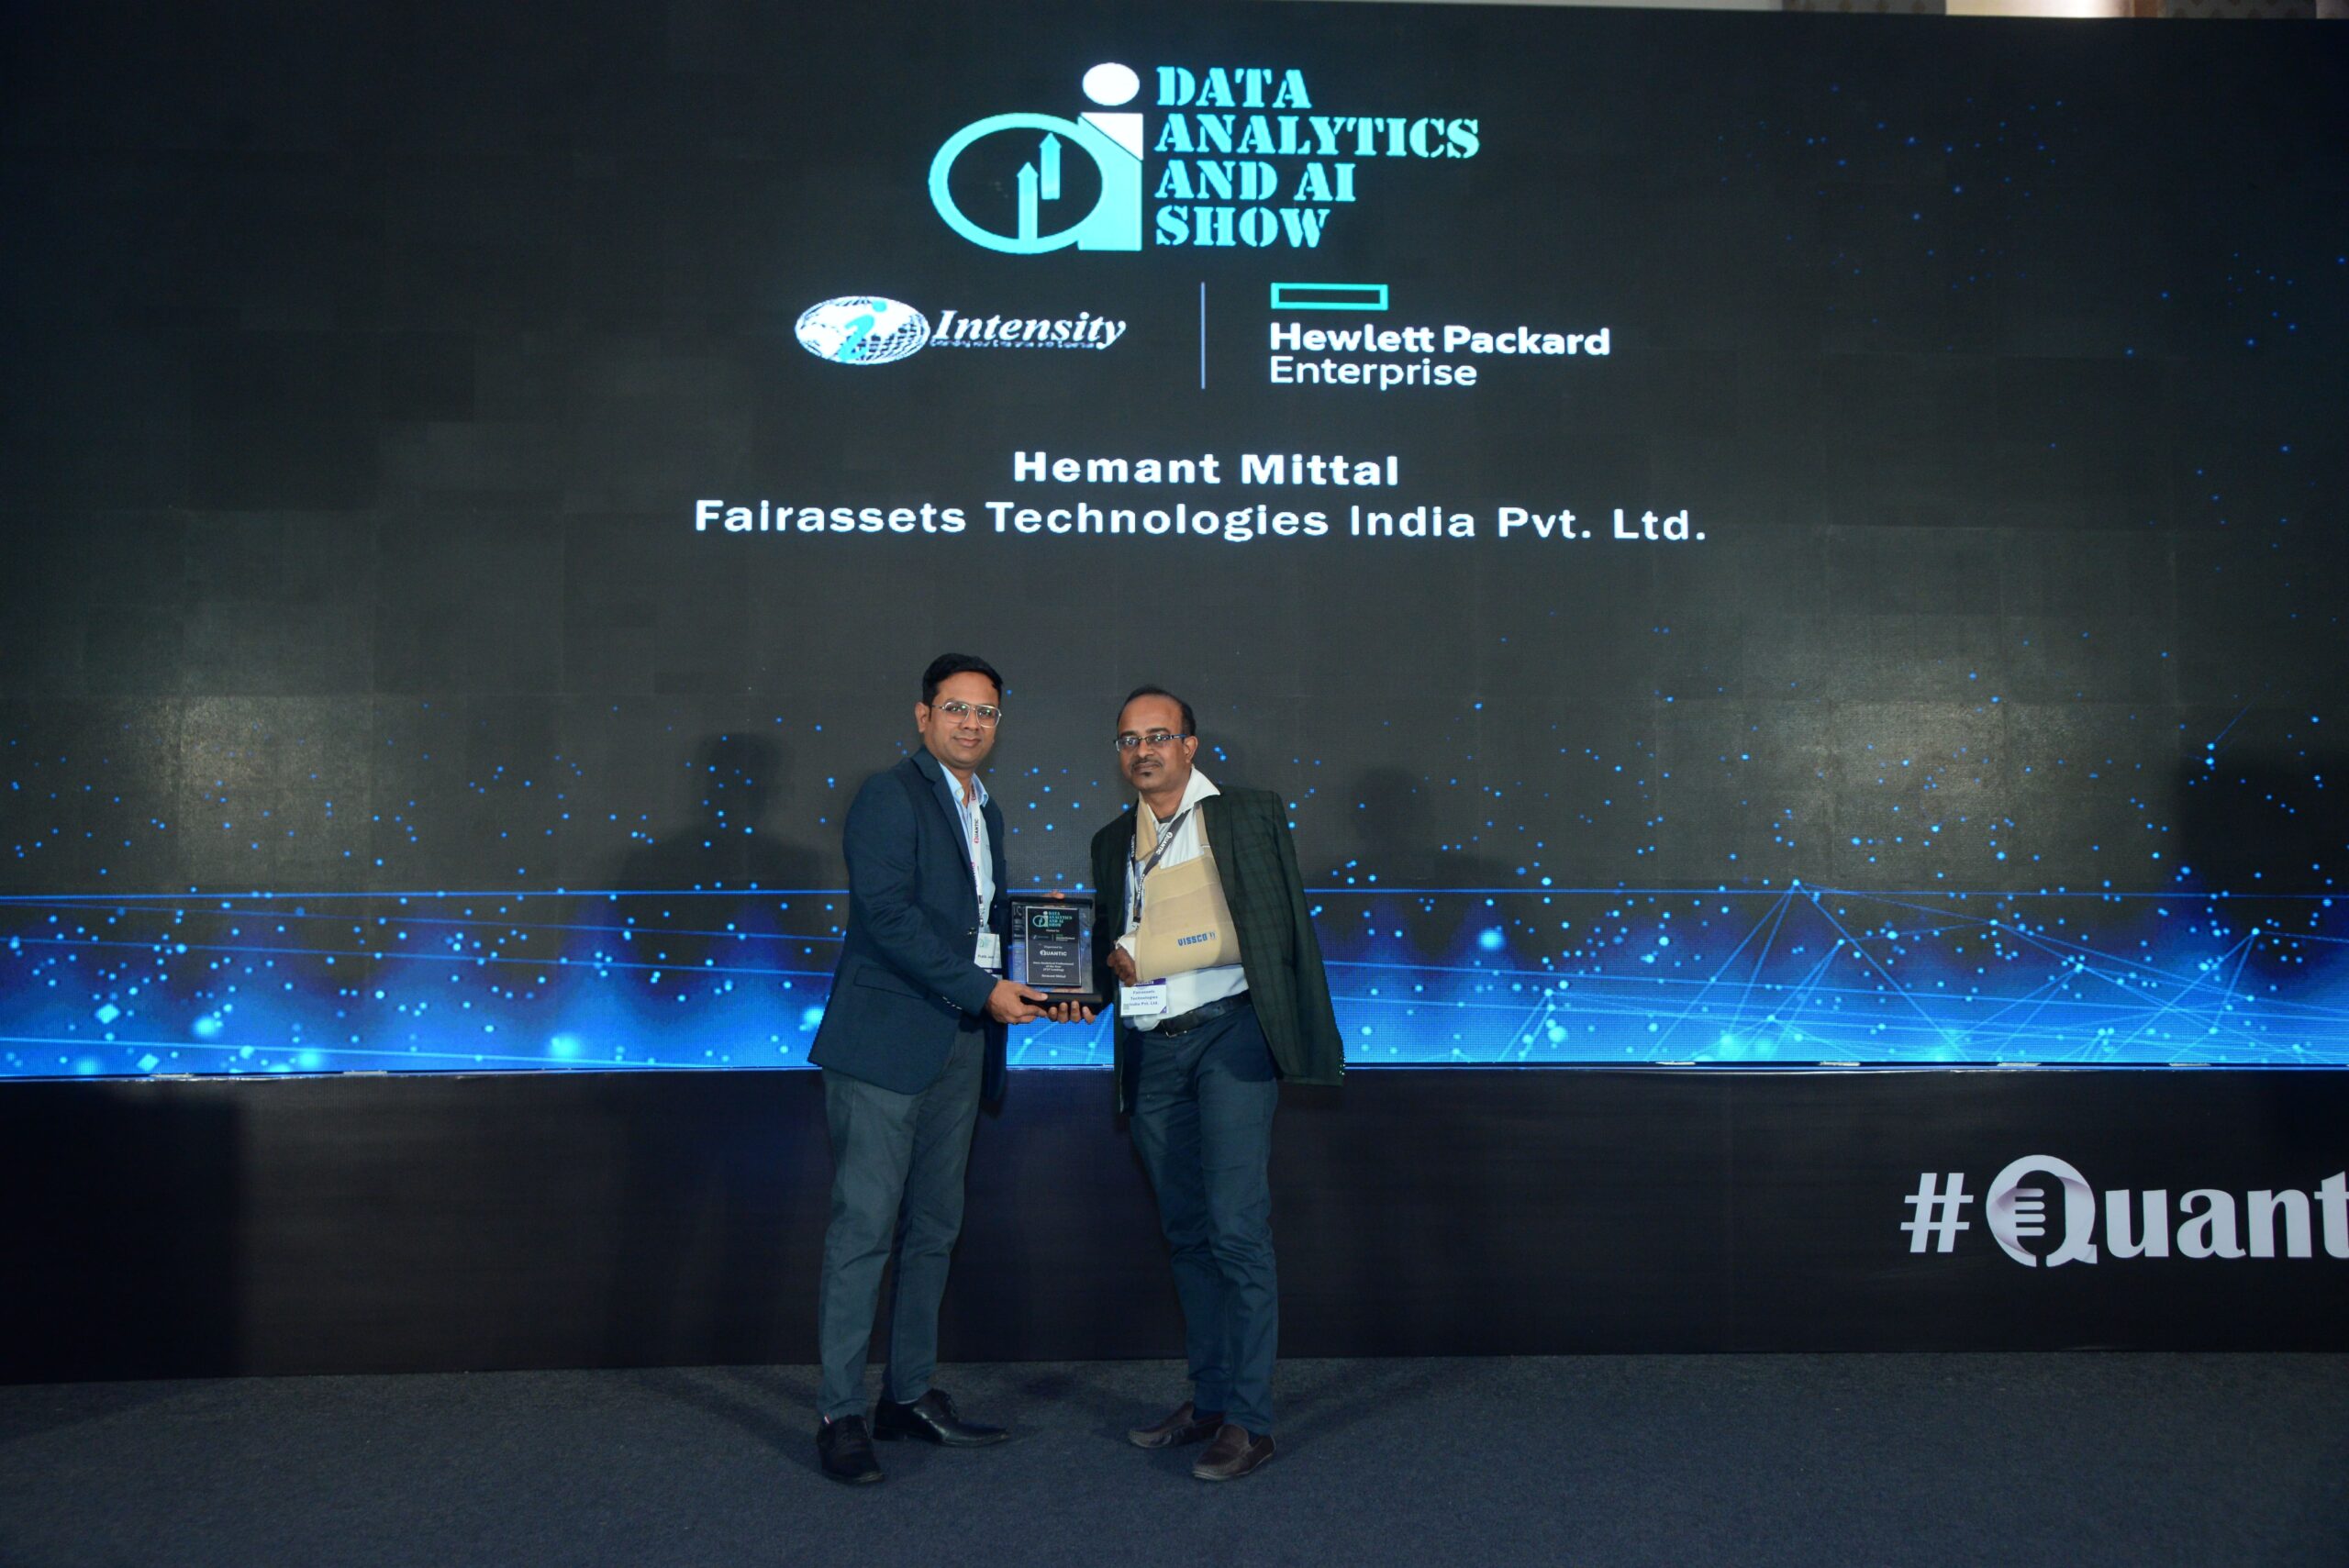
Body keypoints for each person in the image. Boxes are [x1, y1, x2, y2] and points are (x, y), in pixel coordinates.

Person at [808, 652, 1065, 1485]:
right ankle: (840, 1413)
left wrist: (1047, 952)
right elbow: (886, 917)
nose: (971, 724)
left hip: (961, 1040)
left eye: (986, 712)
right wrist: (986, 989)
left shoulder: (985, 807)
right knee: (864, 1231)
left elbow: (973, 924)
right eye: (956, 708)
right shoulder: (889, 795)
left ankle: (907, 1394)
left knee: (934, 1228)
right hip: (887, 1044)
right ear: (924, 716)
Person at [1086, 685, 1344, 1482]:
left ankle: (1252, 1421)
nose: (1143, 750)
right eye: (1129, 739)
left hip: (1233, 1035)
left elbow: (1276, 926)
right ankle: (1209, 1399)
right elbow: (1111, 946)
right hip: (1153, 1048)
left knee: (1236, 1228)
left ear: (1189, 745)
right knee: (1187, 1231)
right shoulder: (1112, 840)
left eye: (1158, 735)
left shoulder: (1247, 813)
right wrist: (1080, 981)